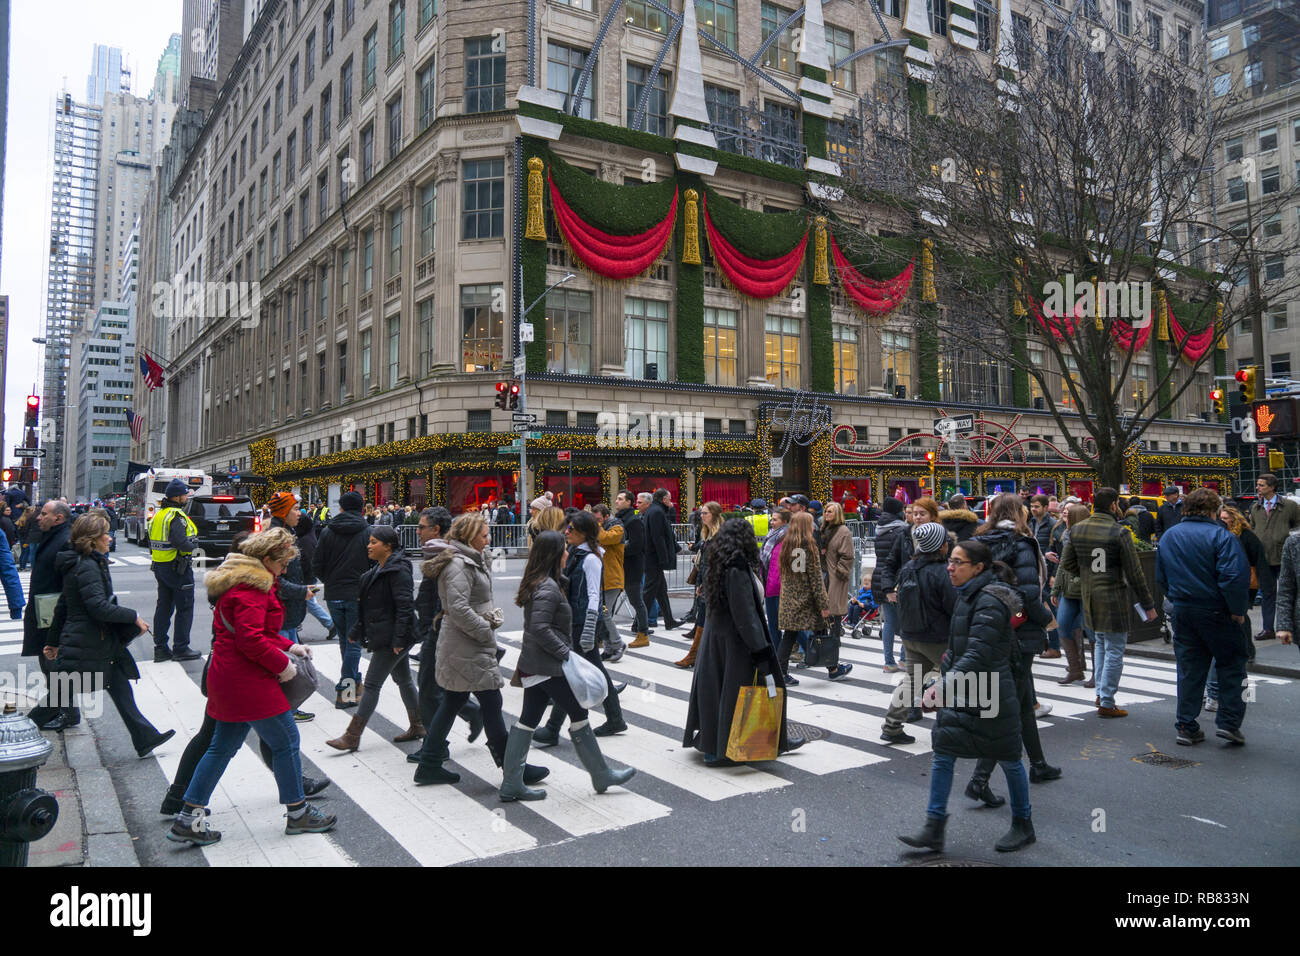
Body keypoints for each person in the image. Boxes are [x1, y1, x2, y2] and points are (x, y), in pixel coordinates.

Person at [167, 529, 336, 846]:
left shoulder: (243, 581)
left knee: (221, 747)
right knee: (286, 742)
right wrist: (283, 665)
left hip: (228, 676)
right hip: (248, 680)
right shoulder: (253, 589)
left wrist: (290, 645)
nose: (285, 569)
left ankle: (187, 817)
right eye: (284, 562)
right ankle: (298, 813)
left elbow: (253, 633)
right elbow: (251, 639)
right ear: (268, 559)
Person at [898, 540, 1035, 853]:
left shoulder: (988, 600)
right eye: (951, 560)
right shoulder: (968, 595)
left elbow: (979, 653)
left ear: (978, 568)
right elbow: (960, 647)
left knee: (1009, 758)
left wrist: (942, 686)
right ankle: (934, 826)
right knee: (944, 751)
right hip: (965, 687)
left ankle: (1023, 824)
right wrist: (945, 671)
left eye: (958, 562)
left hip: (990, 691)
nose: (950, 567)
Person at [507, 530, 636, 798]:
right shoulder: (547, 587)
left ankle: (511, 783)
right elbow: (540, 628)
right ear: (554, 555)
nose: (568, 553)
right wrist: (565, 653)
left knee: (528, 719)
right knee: (578, 714)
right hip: (547, 665)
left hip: (536, 664)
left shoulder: (542, 582)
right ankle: (601, 775)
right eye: (563, 549)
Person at [41, 513, 173, 758]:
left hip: (95, 639)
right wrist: (133, 615)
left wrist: (52, 641)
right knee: (62, 691)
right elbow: (98, 607)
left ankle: (145, 737)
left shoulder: (86, 562)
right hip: (89, 640)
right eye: (106, 533)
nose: (110, 538)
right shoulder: (87, 566)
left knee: (117, 683)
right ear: (92, 538)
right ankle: (24, 728)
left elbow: (63, 606)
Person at [683, 517, 805, 766]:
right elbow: (745, 614)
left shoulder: (719, 563)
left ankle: (721, 745)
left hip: (717, 641)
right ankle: (759, 742)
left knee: (720, 693)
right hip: (737, 644)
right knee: (754, 691)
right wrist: (760, 650)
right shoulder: (737, 569)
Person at [412, 513, 517, 786]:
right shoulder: (458, 563)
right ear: (469, 536)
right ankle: (511, 768)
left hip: (465, 642)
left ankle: (430, 763)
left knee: (454, 701)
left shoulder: (468, 559)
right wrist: (484, 630)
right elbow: (458, 608)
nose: (488, 539)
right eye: (484, 535)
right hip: (467, 642)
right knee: (491, 703)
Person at [969, 493, 1061, 791]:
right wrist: (1045, 617)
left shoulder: (980, 542)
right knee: (1009, 707)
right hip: (1020, 631)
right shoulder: (1023, 542)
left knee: (1021, 701)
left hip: (990, 627)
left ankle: (1038, 764)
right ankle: (980, 779)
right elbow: (1029, 593)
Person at [1156, 488, 1251, 747]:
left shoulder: (1169, 536)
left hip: (1183, 609)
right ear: (1212, 510)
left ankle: (1186, 725)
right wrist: (1238, 611)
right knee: (1232, 666)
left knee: (1189, 669)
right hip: (1217, 609)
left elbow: (1161, 577)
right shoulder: (1222, 536)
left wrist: (1176, 599)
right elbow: (1233, 577)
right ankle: (1230, 723)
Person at [1059, 487, 1157, 718]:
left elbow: (1067, 564)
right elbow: (1135, 573)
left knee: (1102, 644)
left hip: (1089, 594)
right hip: (1113, 594)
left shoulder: (1077, 530)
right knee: (1113, 649)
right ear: (1114, 504)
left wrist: (1087, 574)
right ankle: (1107, 699)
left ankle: (1102, 694)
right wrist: (1148, 604)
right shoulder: (1119, 532)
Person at [534, 511, 631, 741]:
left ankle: (553, 728)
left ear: (585, 534)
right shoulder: (578, 554)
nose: (567, 532)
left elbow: (594, 596)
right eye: (567, 528)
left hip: (582, 622)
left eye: (572, 530)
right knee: (580, 671)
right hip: (576, 621)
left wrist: (588, 629)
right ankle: (613, 719)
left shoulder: (591, 559)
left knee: (571, 673)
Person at [325, 525, 424, 750]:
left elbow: (405, 607)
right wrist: (355, 632)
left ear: (387, 546)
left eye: (373, 542)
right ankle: (418, 725)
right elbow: (369, 608)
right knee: (404, 679)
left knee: (371, 685)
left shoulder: (397, 570)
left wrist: (399, 639)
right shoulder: (378, 570)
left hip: (391, 638)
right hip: (387, 634)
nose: (368, 546)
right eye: (369, 542)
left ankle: (352, 735)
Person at [408, 507, 484, 760]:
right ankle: (471, 714)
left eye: (421, 526)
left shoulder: (446, 556)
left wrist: (432, 625)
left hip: (439, 629)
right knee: (441, 687)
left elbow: (452, 599)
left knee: (429, 688)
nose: (417, 531)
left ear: (436, 529)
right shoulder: (436, 552)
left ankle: (435, 747)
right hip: (435, 627)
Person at [880, 522, 956, 747]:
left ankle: (892, 726)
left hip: (911, 634)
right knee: (958, 679)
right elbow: (952, 606)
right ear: (941, 546)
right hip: (938, 637)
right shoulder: (942, 572)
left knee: (911, 681)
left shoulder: (908, 569)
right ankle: (955, 728)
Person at [776, 512, 853, 685]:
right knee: (821, 629)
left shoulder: (787, 543)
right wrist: (824, 604)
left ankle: (830, 667)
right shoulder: (808, 545)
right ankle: (832, 668)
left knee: (791, 635)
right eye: (811, 524)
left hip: (790, 597)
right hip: (806, 599)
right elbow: (815, 577)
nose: (814, 527)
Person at [313, 491, 372, 709]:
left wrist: (329, 580)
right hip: (356, 594)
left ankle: (354, 681)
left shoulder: (328, 531)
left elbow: (317, 564)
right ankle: (346, 692)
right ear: (362, 508)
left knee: (344, 642)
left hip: (334, 593)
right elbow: (373, 564)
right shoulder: (367, 531)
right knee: (353, 642)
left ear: (341, 508)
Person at [265, 491, 317, 721]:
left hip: (287, 610)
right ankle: (285, 709)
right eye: (295, 509)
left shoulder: (285, 532)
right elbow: (275, 579)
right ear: (283, 512)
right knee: (288, 664)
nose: (300, 513)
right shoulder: (277, 536)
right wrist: (301, 591)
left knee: (289, 663)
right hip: (282, 610)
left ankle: (286, 708)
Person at [23, 501, 73, 729]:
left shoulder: (64, 540)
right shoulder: (53, 536)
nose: (38, 517)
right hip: (44, 610)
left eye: (44, 514)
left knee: (53, 661)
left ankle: (60, 713)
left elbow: (69, 583)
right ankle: (67, 712)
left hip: (52, 612)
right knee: (48, 661)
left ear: (58, 518)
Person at [149, 477, 201, 662]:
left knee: (164, 607)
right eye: (185, 494)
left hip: (161, 567)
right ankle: (180, 648)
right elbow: (181, 543)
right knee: (185, 607)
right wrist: (193, 545)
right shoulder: (175, 517)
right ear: (178, 497)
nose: (187, 497)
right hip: (178, 568)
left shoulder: (159, 516)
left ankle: (160, 648)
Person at [1248, 473, 1300, 642]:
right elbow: (1253, 528)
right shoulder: (1255, 508)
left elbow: (1297, 525)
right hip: (1264, 557)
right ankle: (1268, 628)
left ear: (1272, 487)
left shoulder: (1289, 506)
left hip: (1285, 556)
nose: (1258, 488)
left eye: (1261, 485)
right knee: (1268, 593)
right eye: (1258, 485)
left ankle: (1289, 625)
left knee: (1290, 591)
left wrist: (1286, 537)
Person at [1049, 504, 1094, 686]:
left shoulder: (1088, 538)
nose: (1064, 516)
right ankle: (1075, 669)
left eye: (1069, 515)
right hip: (1068, 591)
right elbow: (1062, 566)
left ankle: (1096, 673)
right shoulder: (1066, 535)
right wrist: (1056, 589)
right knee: (1064, 625)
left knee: (1091, 631)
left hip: (1084, 590)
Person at [676, 501, 722, 667]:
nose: (701, 516)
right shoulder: (707, 534)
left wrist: (706, 583)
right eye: (701, 513)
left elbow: (716, 563)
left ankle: (700, 656)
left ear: (715, 515)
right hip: (706, 581)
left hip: (713, 584)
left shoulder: (719, 535)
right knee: (703, 618)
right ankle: (696, 655)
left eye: (705, 513)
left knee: (710, 620)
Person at [608, 490, 648, 659]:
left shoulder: (633, 520)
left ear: (629, 502)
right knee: (609, 601)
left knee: (636, 600)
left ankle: (643, 634)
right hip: (621, 566)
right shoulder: (621, 519)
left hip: (632, 567)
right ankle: (605, 635)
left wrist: (619, 549)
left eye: (620, 499)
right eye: (617, 498)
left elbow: (637, 545)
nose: (616, 501)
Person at [871, 497, 908, 672]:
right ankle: (904, 658)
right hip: (896, 579)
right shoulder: (902, 530)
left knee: (890, 622)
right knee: (905, 621)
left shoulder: (880, 529)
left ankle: (889, 661)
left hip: (880, 577)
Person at [642, 488, 682, 636]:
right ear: (664, 499)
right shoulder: (657, 512)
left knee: (661, 591)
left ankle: (669, 620)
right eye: (669, 499)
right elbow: (658, 537)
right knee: (649, 592)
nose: (671, 502)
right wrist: (663, 558)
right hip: (655, 559)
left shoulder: (654, 510)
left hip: (653, 558)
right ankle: (638, 623)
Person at [1027, 495, 1061, 658]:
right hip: (1036, 571)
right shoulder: (1031, 523)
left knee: (1049, 609)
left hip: (1047, 573)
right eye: (1032, 506)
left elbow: (1056, 552)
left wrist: (1054, 574)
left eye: (1037, 506)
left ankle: (1054, 646)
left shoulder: (1053, 525)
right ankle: (1044, 643)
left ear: (1046, 507)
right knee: (1039, 608)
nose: (1034, 509)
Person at [592, 503, 627, 661]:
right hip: (600, 578)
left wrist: (596, 525)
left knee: (604, 613)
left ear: (606, 517)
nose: (596, 521)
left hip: (612, 579)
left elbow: (604, 538)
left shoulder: (617, 528)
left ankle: (618, 643)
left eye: (598, 519)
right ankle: (608, 648)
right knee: (602, 614)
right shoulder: (601, 529)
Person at [295, 512, 337, 640]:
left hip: (307, 578)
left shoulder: (304, 540)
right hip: (312, 578)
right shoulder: (309, 536)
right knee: (309, 603)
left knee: (309, 603)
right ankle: (329, 625)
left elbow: (307, 561)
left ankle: (330, 625)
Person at [820, 502, 854, 645]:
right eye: (826, 511)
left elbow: (848, 555)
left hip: (836, 575)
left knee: (835, 608)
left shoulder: (843, 531)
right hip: (824, 573)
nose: (827, 513)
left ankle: (834, 639)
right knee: (824, 607)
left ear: (837, 514)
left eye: (831, 511)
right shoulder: (824, 529)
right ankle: (825, 639)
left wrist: (840, 571)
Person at [760, 508, 791, 650]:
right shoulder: (771, 535)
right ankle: (776, 649)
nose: (771, 522)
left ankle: (808, 649)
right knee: (772, 622)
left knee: (789, 623)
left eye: (775, 519)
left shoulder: (787, 536)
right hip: (769, 583)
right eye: (771, 519)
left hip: (780, 585)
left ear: (784, 521)